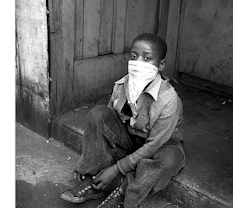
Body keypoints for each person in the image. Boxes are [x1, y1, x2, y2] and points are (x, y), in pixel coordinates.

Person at [60, 33, 185, 208]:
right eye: (134, 57)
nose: (138, 63)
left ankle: (124, 195)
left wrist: (117, 168)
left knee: (169, 159)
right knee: (99, 114)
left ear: (161, 65)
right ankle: (94, 181)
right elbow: (109, 123)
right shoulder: (122, 85)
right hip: (131, 138)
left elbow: (153, 146)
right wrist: (89, 162)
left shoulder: (168, 99)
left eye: (147, 58)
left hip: (161, 145)